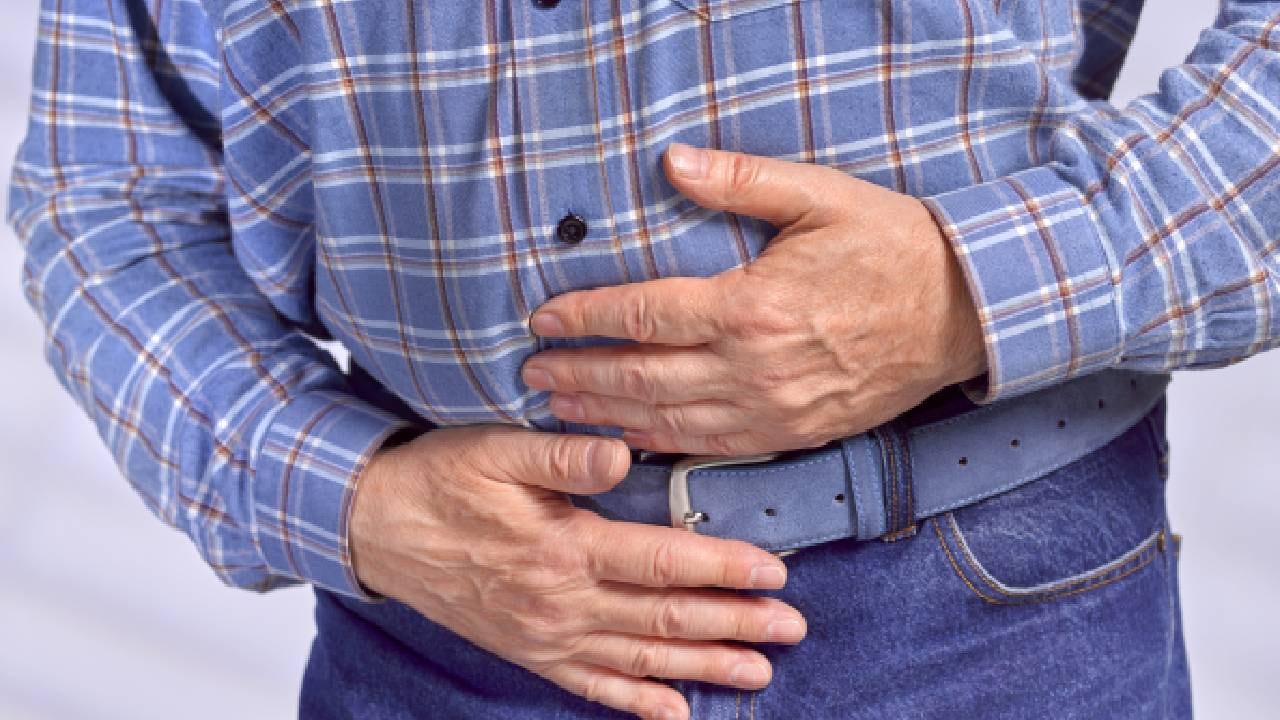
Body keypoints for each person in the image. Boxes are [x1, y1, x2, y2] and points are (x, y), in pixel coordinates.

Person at [8, 0, 1278, 717]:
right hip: (440, 640)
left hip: (987, 629)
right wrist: (352, 498)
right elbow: (105, 195)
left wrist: (962, 286)